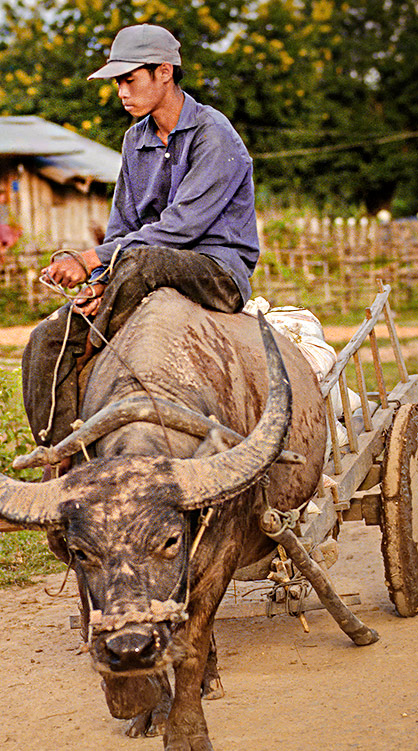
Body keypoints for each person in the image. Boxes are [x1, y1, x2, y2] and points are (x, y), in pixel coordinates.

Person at [22, 23, 260, 450]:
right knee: (46, 339)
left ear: (164, 72)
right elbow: (123, 225)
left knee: (142, 261)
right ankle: (56, 457)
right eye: (118, 83)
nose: (122, 93)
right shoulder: (135, 140)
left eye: (129, 80)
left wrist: (93, 261)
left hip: (215, 270)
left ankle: (98, 326)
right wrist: (99, 281)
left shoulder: (213, 133)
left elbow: (181, 227)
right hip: (138, 270)